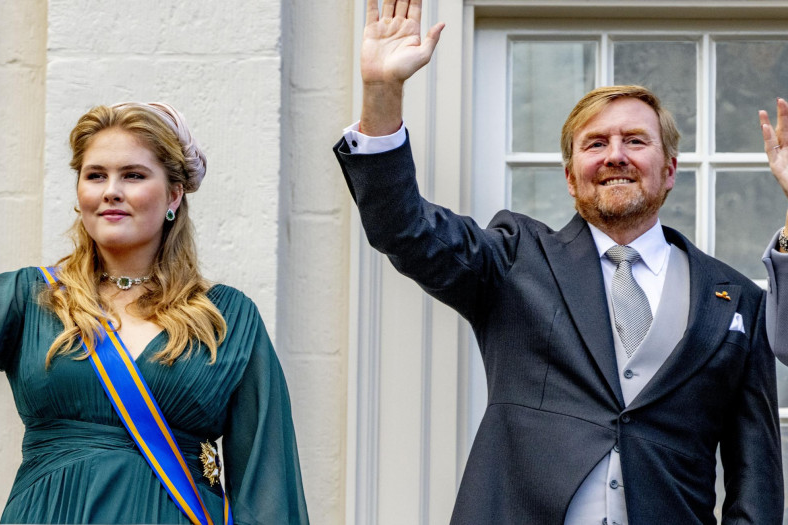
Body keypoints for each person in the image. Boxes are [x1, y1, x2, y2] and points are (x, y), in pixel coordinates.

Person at [334, 0, 788, 523]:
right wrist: (382, 92)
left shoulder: (736, 301)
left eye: (635, 141)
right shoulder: (514, 259)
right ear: (571, 178)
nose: (615, 155)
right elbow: (404, 229)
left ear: (669, 170)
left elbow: (756, 478)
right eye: (595, 144)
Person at [0, 102, 309, 524]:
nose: (110, 191)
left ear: (174, 194)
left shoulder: (225, 317)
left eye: (133, 175)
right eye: (95, 175)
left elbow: (267, 481)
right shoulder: (34, 296)